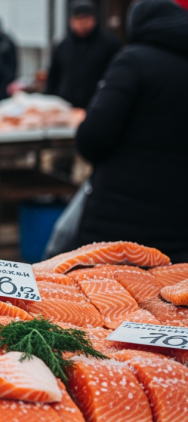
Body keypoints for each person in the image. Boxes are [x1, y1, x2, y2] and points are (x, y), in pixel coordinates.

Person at [73, 0, 188, 263]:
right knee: (170, 298)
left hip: (121, 221)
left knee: (102, 297)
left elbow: (92, 138)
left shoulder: (133, 60)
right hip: (180, 224)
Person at [45, 0, 121, 108]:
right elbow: (53, 76)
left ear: (94, 19)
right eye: (78, 19)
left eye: (86, 19)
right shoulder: (63, 46)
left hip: (96, 106)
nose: (82, 24)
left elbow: (116, 76)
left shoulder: (110, 45)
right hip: (66, 107)